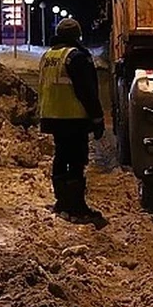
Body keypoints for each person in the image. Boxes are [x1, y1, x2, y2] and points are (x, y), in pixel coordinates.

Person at [38, 18, 107, 225]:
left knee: (61, 158)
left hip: (53, 115)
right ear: (77, 36)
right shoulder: (76, 57)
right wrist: (97, 118)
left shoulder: (49, 56)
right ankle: (76, 206)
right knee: (77, 161)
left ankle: (62, 202)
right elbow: (87, 92)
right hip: (74, 118)